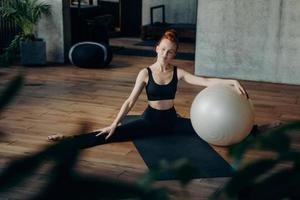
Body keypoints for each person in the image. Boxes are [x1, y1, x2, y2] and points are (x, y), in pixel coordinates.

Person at [47, 29, 252, 146]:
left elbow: (205, 81)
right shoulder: (145, 73)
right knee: (111, 135)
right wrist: (114, 123)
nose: (165, 54)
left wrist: (231, 81)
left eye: (170, 52)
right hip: (149, 120)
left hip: (172, 121)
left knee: (212, 129)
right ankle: (69, 139)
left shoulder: (178, 72)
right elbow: (129, 101)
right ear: (156, 49)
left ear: (174, 54)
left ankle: (257, 129)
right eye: (163, 49)